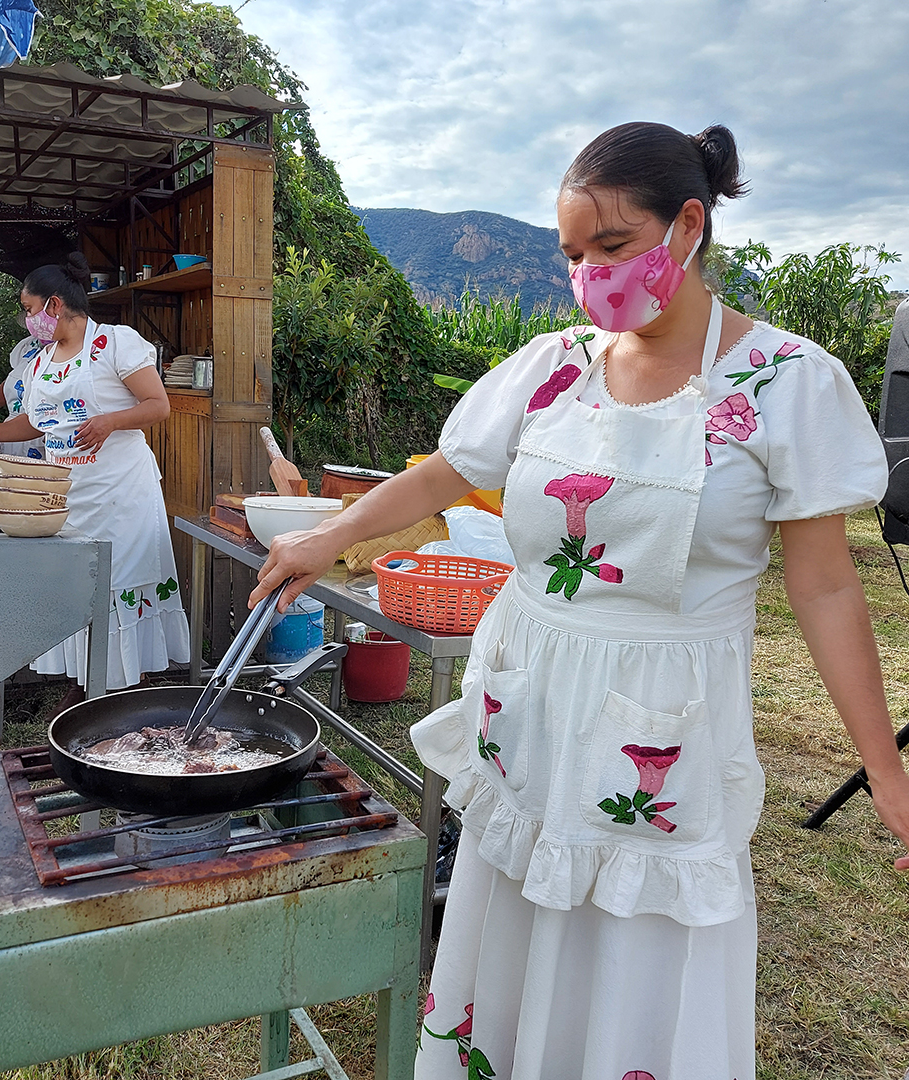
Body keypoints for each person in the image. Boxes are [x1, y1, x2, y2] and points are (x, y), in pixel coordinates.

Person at [248, 122, 909, 1080]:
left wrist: (882, 764)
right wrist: (327, 535)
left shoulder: (788, 383)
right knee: (518, 902)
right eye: (571, 255)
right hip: (534, 697)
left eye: (612, 248)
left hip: (666, 714)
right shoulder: (557, 363)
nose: (590, 276)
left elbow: (825, 584)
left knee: (637, 933)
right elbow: (447, 471)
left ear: (687, 225)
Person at [0, 253, 189, 706]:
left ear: (54, 305)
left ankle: (125, 684)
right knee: (76, 583)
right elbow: (37, 422)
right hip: (66, 493)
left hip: (120, 491)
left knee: (118, 581)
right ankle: (83, 683)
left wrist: (111, 421)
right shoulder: (41, 362)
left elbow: (158, 405)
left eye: (30, 309)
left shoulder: (115, 344)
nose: (28, 319)